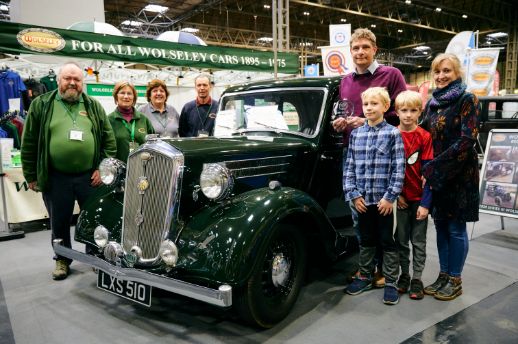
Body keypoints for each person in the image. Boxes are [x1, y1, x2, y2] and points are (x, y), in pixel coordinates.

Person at [21, 62, 117, 280]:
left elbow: (108, 140)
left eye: (77, 79)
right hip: (56, 177)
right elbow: (29, 142)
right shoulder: (41, 104)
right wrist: (31, 175)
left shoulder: (93, 106)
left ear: (83, 82)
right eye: (67, 78)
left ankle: (95, 256)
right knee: (59, 222)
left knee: (93, 219)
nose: (72, 83)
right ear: (58, 80)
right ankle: (62, 259)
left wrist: (102, 168)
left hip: (89, 178)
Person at [333, 27, 407, 288]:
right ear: (350, 52)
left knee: (384, 219)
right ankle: (368, 269)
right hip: (353, 149)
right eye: (356, 48)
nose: (360, 52)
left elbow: (403, 111)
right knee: (359, 212)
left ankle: (384, 270)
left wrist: (367, 120)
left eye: (365, 47)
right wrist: (341, 123)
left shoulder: (391, 74)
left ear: (375, 49)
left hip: (383, 153)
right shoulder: (346, 80)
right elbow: (346, 111)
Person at [420, 53, 481, 301]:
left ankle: (455, 279)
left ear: (457, 73)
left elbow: (468, 139)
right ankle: (443, 275)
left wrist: (432, 168)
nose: (441, 76)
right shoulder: (432, 103)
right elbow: (422, 134)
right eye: (437, 71)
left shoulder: (468, 99)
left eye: (446, 71)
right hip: (437, 177)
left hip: (460, 176)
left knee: (456, 228)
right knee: (441, 227)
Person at [344, 87, 405, 305]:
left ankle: (390, 281)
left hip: (384, 202)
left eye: (374, 103)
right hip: (362, 201)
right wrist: (353, 194)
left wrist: (390, 197)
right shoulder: (356, 135)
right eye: (366, 104)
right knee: (366, 239)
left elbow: (399, 169)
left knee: (387, 240)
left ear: (385, 107)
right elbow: (349, 166)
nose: (369, 107)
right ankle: (365, 275)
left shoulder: (392, 133)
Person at [394, 91, 433, 300]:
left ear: (420, 112)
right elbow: (390, 169)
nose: (408, 115)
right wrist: (396, 195)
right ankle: (405, 275)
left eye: (413, 110)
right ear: (397, 112)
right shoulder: (392, 135)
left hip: (419, 199)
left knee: (418, 241)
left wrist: (425, 203)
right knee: (401, 241)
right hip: (399, 199)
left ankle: (417, 278)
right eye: (404, 110)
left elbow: (428, 172)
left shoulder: (424, 137)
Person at [108, 81, 155, 161]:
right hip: (118, 170)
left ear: (134, 97)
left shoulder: (143, 119)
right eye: (122, 93)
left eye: (129, 93)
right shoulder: (109, 120)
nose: (126, 96)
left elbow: (153, 144)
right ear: (116, 96)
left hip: (142, 168)